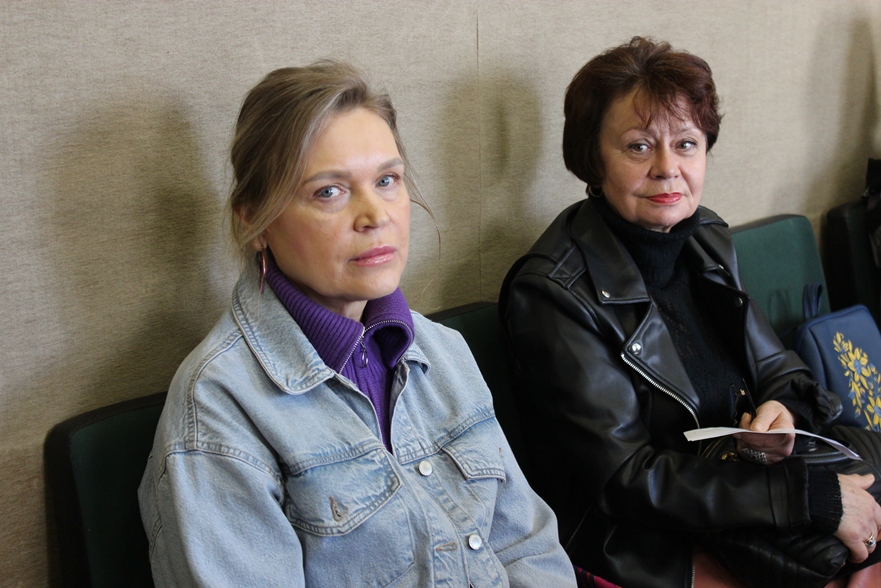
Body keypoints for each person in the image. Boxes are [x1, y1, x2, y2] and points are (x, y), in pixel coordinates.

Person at [139, 61, 576, 587]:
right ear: (254, 221)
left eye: (387, 180)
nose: (376, 215)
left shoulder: (444, 349)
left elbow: (529, 547)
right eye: (329, 191)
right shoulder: (217, 407)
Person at [499, 37, 881, 588]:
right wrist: (806, 499)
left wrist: (781, 411)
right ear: (593, 159)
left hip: (746, 497)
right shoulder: (551, 293)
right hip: (647, 542)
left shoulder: (705, 240)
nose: (667, 168)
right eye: (638, 147)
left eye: (686, 144)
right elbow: (626, 478)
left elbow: (781, 369)